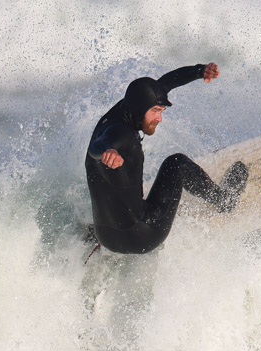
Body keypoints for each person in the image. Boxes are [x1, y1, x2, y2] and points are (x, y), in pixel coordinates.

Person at [85, 62, 249, 254]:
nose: (159, 119)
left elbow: (166, 83)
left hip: (106, 237)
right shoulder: (121, 134)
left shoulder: (121, 112)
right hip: (142, 237)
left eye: (160, 112)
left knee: (106, 180)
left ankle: (91, 237)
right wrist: (107, 151)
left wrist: (198, 71)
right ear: (139, 109)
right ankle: (224, 201)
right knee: (176, 164)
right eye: (155, 112)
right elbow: (97, 147)